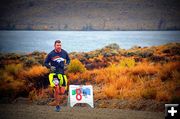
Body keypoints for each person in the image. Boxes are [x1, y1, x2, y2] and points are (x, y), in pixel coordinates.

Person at [44, 40, 70, 112]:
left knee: (62, 92)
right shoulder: (51, 54)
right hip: (54, 74)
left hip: (62, 74)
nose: (59, 46)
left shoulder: (64, 52)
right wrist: (49, 67)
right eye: (57, 45)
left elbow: (68, 59)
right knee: (57, 89)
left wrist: (66, 64)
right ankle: (57, 106)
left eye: (60, 45)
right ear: (54, 46)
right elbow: (45, 62)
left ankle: (55, 90)